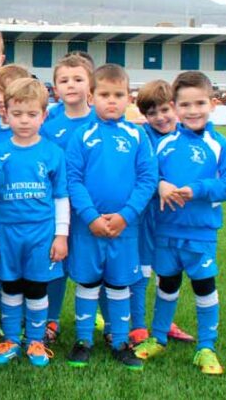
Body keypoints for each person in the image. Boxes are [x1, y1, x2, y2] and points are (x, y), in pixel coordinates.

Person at [133, 71, 226, 376]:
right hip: (165, 230)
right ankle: (157, 338)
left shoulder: (220, 145)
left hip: (201, 233)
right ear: (175, 106)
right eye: (185, 105)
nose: (193, 110)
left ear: (213, 104)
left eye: (199, 103)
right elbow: (146, 174)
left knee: (204, 285)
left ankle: (206, 347)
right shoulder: (162, 143)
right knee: (166, 284)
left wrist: (199, 189)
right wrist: (160, 185)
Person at [64, 64, 156, 370]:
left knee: (119, 285)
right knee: (88, 283)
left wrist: (126, 216)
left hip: (125, 229)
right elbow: (73, 179)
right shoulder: (81, 135)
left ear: (128, 98)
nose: (111, 101)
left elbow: (147, 179)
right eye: (105, 94)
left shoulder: (138, 135)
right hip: (86, 229)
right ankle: (83, 340)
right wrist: (90, 216)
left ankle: (120, 341)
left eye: (118, 95)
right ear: (91, 96)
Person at [0, 78, 68, 368]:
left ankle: (35, 340)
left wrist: (61, 235)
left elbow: (60, 197)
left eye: (32, 114)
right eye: (17, 114)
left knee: (36, 287)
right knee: (10, 285)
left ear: (44, 116)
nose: (24, 120)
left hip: (41, 232)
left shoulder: (53, 153)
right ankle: (10, 339)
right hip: (7, 232)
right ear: (5, 113)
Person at [38, 53, 96, 343]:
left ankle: (101, 320)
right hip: (58, 209)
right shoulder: (48, 127)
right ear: (55, 87)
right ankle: (51, 319)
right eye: (64, 80)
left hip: (93, 210)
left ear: (90, 84)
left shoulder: (102, 121)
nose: (71, 85)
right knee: (56, 263)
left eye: (78, 79)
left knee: (92, 264)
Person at [133, 80, 195, 345]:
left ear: (175, 107)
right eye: (151, 113)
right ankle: (136, 325)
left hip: (175, 219)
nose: (159, 118)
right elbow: (140, 170)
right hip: (146, 216)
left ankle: (164, 323)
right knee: (141, 271)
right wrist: (159, 184)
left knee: (168, 273)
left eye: (165, 110)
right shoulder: (141, 136)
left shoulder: (187, 137)